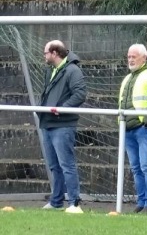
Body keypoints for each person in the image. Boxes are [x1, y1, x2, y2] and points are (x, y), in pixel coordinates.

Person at [39, 40, 87, 214]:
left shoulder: (73, 70)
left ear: (54, 53)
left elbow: (80, 93)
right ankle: (56, 201)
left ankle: (74, 202)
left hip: (63, 125)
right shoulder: (51, 70)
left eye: (45, 53)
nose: (44, 56)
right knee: (54, 165)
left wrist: (63, 108)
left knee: (67, 164)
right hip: (48, 123)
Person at [118, 43, 147, 214]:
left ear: (144, 58)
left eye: (134, 56)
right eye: (129, 56)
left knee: (146, 165)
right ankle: (141, 200)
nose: (130, 59)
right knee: (136, 167)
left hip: (144, 128)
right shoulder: (128, 78)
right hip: (129, 128)